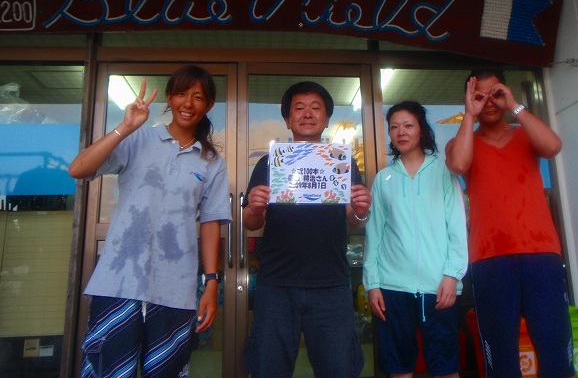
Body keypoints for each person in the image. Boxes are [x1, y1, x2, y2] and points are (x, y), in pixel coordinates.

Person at [69, 65, 231, 378]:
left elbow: (211, 222)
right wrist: (125, 126)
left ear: (209, 105)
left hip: (176, 288)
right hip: (119, 281)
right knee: (111, 372)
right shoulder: (138, 138)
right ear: (169, 98)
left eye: (198, 97)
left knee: (166, 371)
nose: (188, 103)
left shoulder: (211, 161)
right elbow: (78, 169)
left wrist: (211, 282)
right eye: (181, 94)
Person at [445, 70, 576, 378]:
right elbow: (459, 164)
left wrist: (515, 106)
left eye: (495, 93)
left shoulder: (524, 133)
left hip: (541, 254)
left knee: (556, 353)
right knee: (501, 361)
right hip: (490, 258)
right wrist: (469, 114)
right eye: (480, 96)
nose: (489, 102)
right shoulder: (462, 142)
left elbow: (553, 147)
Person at [242, 81, 372, 378]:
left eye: (316, 108)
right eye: (299, 108)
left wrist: (362, 210)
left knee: (339, 370)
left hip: (331, 285)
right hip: (276, 284)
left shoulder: (342, 162)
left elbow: (354, 219)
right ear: (288, 120)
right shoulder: (269, 163)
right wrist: (254, 208)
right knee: (268, 370)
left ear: (326, 119)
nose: (308, 114)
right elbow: (252, 222)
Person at [364, 101, 468, 378]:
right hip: (392, 288)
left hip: (440, 287)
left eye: (408, 125)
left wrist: (452, 274)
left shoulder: (444, 173)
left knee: (446, 368)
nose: (401, 132)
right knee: (399, 369)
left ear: (422, 129)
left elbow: (457, 227)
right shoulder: (383, 179)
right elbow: (374, 234)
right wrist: (372, 284)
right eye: (394, 127)